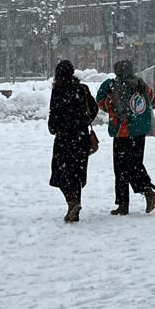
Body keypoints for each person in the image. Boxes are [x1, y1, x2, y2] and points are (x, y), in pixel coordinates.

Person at [96, 58, 155, 215]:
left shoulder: (111, 85)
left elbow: (99, 101)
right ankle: (147, 192)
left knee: (121, 169)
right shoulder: (140, 84)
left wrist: (111, 108)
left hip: (122, 133)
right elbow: (154, 102)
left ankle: (124, 204)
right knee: (135, 164)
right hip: (139, 132)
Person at [47, 58, 99, 223]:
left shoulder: (58, 90)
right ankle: (74, 208)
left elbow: (54, 114)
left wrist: (54, 127)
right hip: (81, 137)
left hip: (64, 138)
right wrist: (84, 120)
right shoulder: (82, 89)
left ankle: (72, 202)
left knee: (60, 173)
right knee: (76, 174)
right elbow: (94, 108)